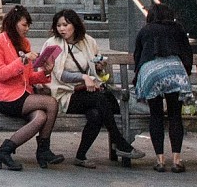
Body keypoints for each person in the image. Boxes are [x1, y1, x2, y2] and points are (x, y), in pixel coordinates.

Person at [48, 9, 134, 167]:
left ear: (75, 25)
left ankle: (81, 156)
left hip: (88, 92)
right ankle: (120, 142)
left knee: (96, 115)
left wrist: (99, 67)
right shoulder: (53, 44)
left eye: (65, 25)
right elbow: (59, 74)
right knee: (100, 99)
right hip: (65, 93)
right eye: (59, 25)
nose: (62, 29)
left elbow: (95, 70)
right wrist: (83, 77)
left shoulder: (88, 42)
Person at [0, 5, 62, 169]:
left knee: (40, 117)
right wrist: (22, 60)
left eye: (28, 25)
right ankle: (44, 151)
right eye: (24, 25)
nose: (27, 29)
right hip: (6, 98)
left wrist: (46, 72)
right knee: (51, 103)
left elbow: (29, 78)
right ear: (14, 24)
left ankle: (4, 151)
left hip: (24, 95)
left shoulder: (24, 43)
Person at [130, 0, 197, 172]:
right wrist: (185, 73)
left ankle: (160, 160)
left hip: (151, 71)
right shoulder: (177, 29)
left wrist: (140, 77)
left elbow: (138, 56)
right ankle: (177, 160)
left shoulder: (145, 30)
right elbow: (187, 53)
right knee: (175, 115)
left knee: (156, 115)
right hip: (175, 71)